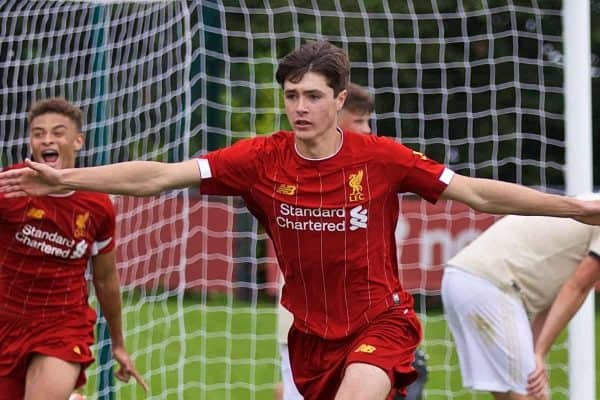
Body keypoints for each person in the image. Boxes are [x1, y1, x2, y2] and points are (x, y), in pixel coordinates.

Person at [2, 41, 600, 400]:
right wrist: (68, 177)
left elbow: (476, 194)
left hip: (380, 322)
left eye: (312, 96)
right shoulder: (259, 159)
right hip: (311, 338)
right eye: (292, 95)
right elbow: (159, 175)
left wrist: (576, 208)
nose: (300, 108)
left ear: (340, 100)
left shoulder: (383, 158)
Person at [0, 98, 147, 399]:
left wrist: (118, 342)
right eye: (38, 133)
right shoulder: (10, 185)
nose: (47, 139)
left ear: (78, 141)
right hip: (7, 321)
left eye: (57, 132)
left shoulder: (97, 204)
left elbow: (105, 279)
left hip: (63, 324)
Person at [441, 199, 600, 400]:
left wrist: (537, 351)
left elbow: (558, 296)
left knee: (517, 394)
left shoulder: (587, 203)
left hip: (464, 279)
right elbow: (577, 288)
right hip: (491, 286)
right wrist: (539, 353)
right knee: (532, 394)